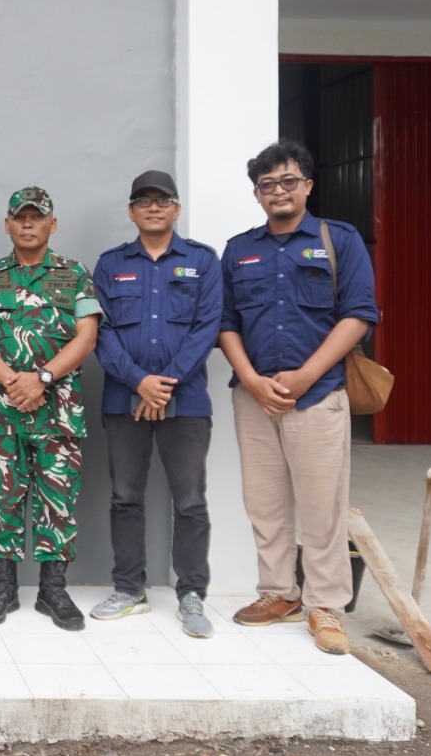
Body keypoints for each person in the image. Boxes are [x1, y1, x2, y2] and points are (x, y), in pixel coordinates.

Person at [219, 140, 378, 655]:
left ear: (307, 185)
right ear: (257, 194)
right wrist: (250, 379)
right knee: (264, 503)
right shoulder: (239, 250)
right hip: (255, 398)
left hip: (318, 395)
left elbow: (359, 314)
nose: (278, 191)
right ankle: (279, 593)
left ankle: (325, 605)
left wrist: (307, 376)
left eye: (288, 181)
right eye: (267, 185)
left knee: (322, 505)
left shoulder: (339, 240)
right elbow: (225, 322)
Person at [90, 170, 221, 637]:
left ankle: (192, 594)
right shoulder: (110, 264)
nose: (153, 208)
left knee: (190, 501)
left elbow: (207, 327)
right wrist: (139, 381)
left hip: (186, 402)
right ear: (131, 212)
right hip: (124, 400)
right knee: (125, 497)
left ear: (176, 209)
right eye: (143, 201)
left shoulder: (203, 261)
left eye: (162, 200)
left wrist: (163, 385)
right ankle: (129, 589)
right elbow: (100, 331)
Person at [0, 187, 100, 630]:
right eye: (20, 217)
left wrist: (41, 378)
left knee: (57, 500)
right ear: (7, 224)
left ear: (52, 224)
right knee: (2, 498)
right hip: (4, 410)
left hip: (58, 411)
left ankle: (52, 590)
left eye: (37, 216)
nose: (28, 223)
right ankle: (3, 586)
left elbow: (86, 336)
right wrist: (14, 382)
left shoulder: (75, 274)